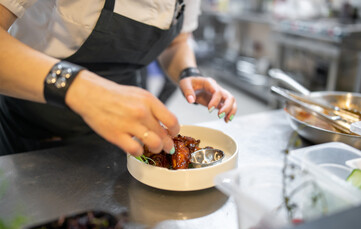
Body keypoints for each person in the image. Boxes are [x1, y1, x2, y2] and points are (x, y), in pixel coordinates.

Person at [0, 0, 237, 157]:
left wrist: (189, 72)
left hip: (120, 140)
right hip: (26, 131)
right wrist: (83, 89)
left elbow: (178, 41)